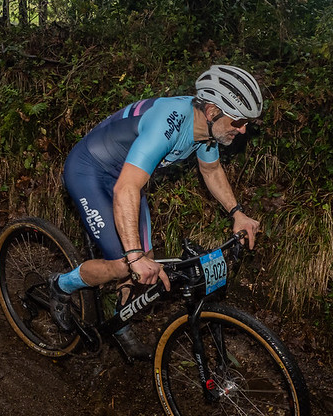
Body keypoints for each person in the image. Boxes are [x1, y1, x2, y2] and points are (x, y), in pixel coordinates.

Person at [50, 65, 262, 360]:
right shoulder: (169, 122)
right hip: (90, 171)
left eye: (246, 123)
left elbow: (211, 170)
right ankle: (60, 285)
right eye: (238, 121)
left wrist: (237, 212)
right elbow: (126, 188)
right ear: (213, 110)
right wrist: (133, 256)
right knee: (126, 264)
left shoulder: (206, 132)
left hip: (127, 178)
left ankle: (119, 320)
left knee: (147, 258)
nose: (243, 130)